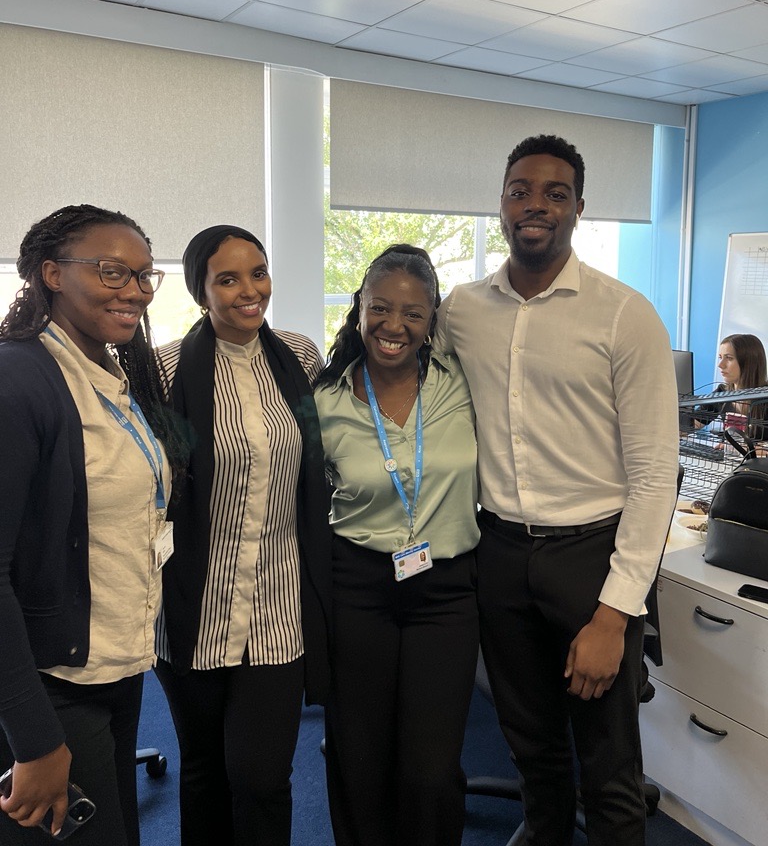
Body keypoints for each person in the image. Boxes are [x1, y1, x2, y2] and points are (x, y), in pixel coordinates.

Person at [435, 135, 680, 846]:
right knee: (532, 749)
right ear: (502, 202)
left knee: (607, 768)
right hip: (500, 551)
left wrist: (613, 614)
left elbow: (654, 475)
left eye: (554, 193)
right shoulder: (462, 310)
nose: (534, 205)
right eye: (520, 190)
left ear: (578, 208)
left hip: (590, 559)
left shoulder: (622, 314)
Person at [0, 204, 183, 845]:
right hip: (55, 685)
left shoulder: (106, 371)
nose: (133, 290)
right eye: (111, 272)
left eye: (142, 276)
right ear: (51, 273)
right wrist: (35, 740)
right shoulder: (19, 379)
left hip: (115, 663)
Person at [154, 224, 332, 846]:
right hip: (192, 600)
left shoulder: (299, 357)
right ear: (201, 290)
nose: (248, 291)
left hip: (278, 600)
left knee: (260, 776)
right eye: (227, 279)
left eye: (258, 273)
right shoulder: (165, 368)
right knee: (203, 771)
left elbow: (322, 456)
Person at [314, 244, 479, 846]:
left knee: (431, 769)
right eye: (380, 308)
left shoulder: (460, 379)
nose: (394, 326)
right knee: (359, 759)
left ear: (433, 318)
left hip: (446, 590)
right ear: (358, 308)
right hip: (355, 585)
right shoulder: (324, 399)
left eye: (413, 313)